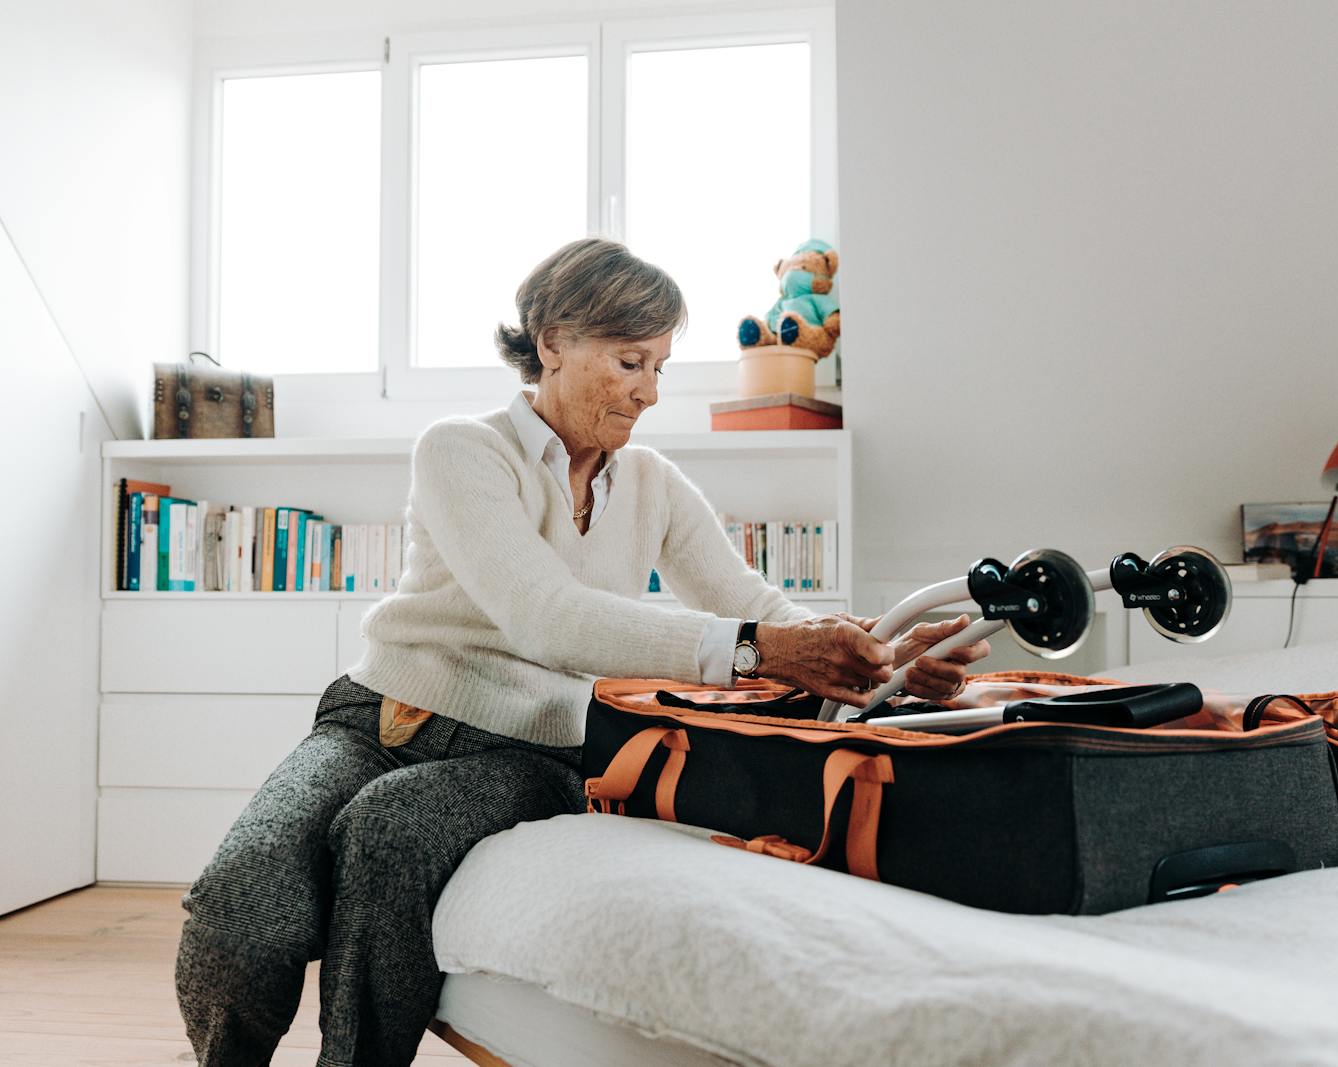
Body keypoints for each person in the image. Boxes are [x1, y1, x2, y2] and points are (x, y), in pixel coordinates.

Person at [173, 238, 989, 1065]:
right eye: (630, 359)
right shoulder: (461, 449)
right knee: (244, 902)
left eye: (661, 367)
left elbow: (755, 607)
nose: (648, 390)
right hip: (374, 718)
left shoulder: (654, 485)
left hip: (535, 744)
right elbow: (547, 616)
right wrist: (763, 650)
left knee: (390, 830)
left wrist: (875, 654)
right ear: (552, 342)